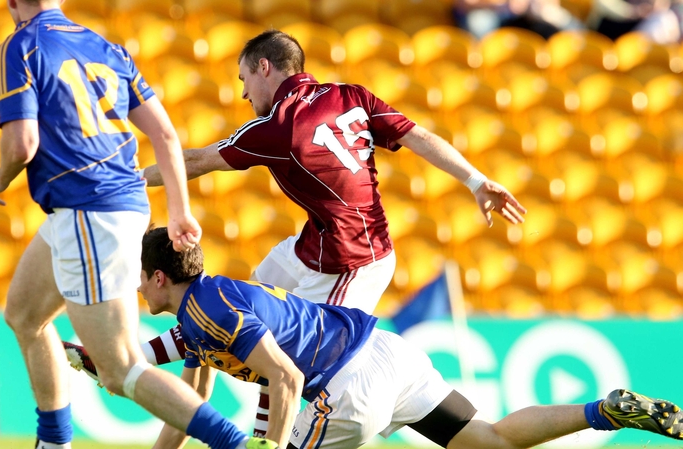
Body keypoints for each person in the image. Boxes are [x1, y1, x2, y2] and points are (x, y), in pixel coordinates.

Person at [67, 28, 528, 437]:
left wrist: (116, 180)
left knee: (291, 358)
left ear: (264, 67)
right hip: (312, 248)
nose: (244, 94)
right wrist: (474, 179)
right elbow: (418, 136)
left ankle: (267, 439)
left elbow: (193, 162)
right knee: (230, 308)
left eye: (244, 79)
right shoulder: (351, 95)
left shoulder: (277, 127)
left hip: (353, 262)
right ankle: (188, 404)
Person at [86, 226, 683, 449]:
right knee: (492, 441)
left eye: (138, 281)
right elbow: (177, 381)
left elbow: (285, 378)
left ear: (158, 277)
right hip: (388, 352)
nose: (137, 292)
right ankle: (604, 411)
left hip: (343, 384)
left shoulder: (207, 312)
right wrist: (101, 358)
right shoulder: (209, 305)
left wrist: (267, 448)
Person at [0, 1, 275, 448]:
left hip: (86, 208)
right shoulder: (105, 47)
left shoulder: (17, 47)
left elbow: (22, 143)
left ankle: (236, 445)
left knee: (121, 369)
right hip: (112, 202)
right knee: (24, 315)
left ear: (10, 4)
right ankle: (54, 441)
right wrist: (178, 211)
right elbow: (164, 134)